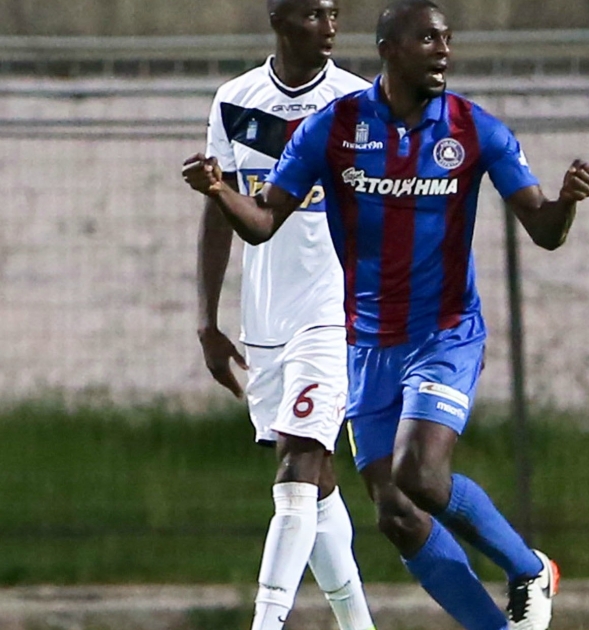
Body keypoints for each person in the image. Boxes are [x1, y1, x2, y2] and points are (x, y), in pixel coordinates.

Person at [183, 3, 589, 630]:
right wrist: (219, 189)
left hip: (445, 332)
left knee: (418, 473)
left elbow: (543, 229)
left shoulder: (473, 128)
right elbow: (264, 221)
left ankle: (529, 568)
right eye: (428, 38)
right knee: (396, 513)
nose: (443, 50)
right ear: (389, 48)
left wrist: (565, 202)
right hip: (370, 344)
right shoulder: (335, 127)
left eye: (447, 38)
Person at [196, 2, 374, 630]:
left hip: (335, 309)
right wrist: (207, 321)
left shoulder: (358, 102)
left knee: (298, 464)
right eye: (314, 14)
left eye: (334, 13)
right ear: (279, 19)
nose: (330, 26)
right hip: (266, 315)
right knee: (313, 480)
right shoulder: (234, 100)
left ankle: (265, 623)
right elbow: (220, 208)